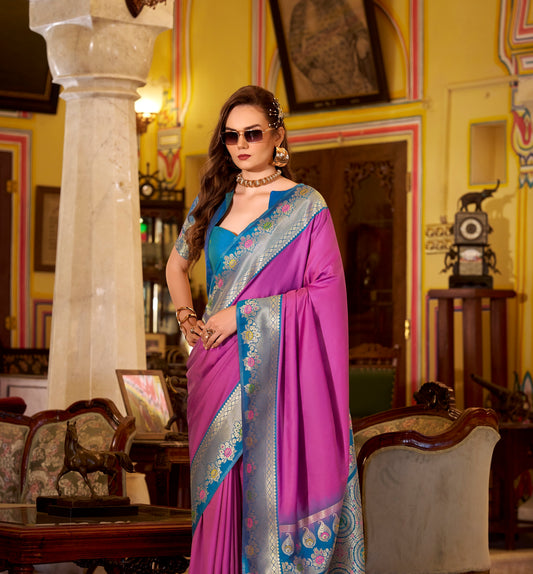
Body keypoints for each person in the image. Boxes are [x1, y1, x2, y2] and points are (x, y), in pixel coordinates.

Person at [166, 85, 364, 573]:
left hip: (274, 370)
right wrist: (186, 315)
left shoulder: (305, 206)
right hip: (214, 366)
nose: (241, 144)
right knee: (217, 493)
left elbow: (325, 293)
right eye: (231, 135)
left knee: (264, 483)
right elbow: (176, 265)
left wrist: (240, 316)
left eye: (252, 133)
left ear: (277, 136)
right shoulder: (213, 199)